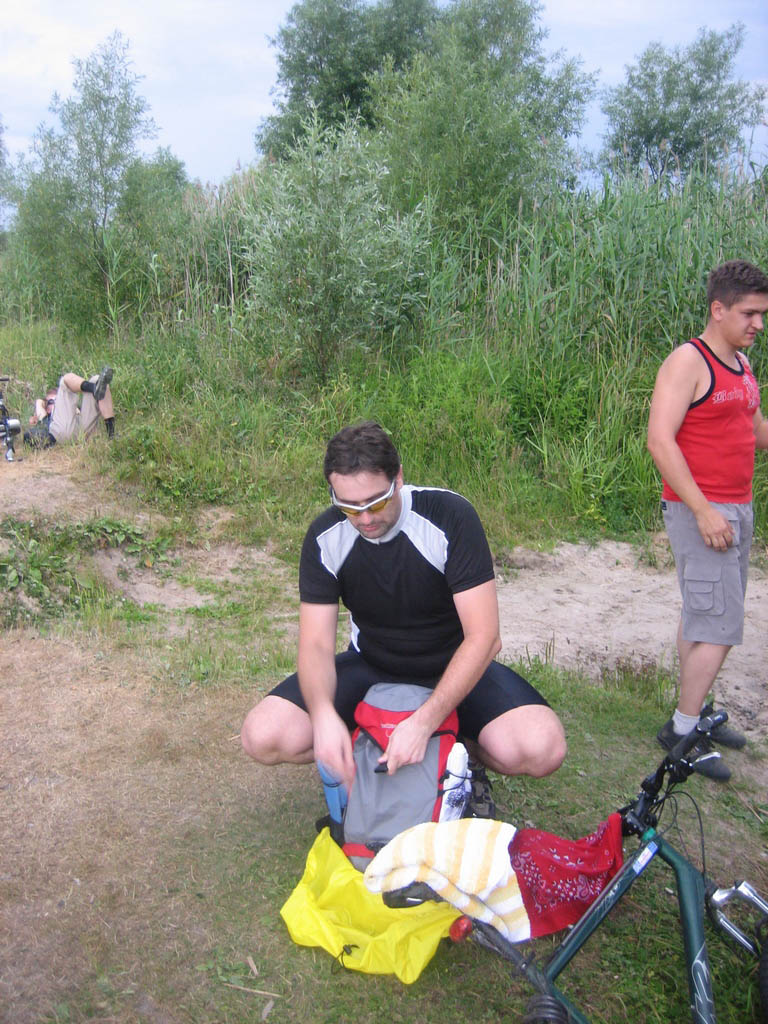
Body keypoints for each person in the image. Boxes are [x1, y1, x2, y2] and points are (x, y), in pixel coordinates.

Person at [241, 421, 566, 798]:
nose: (365, 519)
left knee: (541, 748)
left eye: (376, 502)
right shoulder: (325, 536)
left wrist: (424, 723)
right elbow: (315, 645)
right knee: (263, 735)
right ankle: (369, 746)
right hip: (370, 665)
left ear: (398, 478)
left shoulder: (450, 516)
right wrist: (324, 716)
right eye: (348, 506)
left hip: (452, 668)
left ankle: (455, 752)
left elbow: (485, 637)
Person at [647, 260, 768, 781]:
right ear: (718, 309)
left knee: (704, 614)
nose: (758, 324)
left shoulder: (741, 364)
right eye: (749, 314)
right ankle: (682, 731)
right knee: (720, 623)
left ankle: (696, 711)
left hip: (736, 506)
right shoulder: (687, 362)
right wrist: (702, 511)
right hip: (702, 509)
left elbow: (756, 433)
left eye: (762, 315)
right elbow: (660, 441)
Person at [24, 367, 115, 448]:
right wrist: (43, 404)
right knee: (65, 379)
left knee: (98, 380)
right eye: (51, 401)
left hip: (83, 429)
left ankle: (112, 435)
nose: (56, 402)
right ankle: (94, 388)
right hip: (61, 431)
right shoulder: (45, 416)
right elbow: (39, 404)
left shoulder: (70, 405)